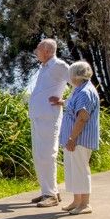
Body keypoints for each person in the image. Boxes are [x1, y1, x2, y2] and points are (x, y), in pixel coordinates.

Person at [28, 38, 70, 207]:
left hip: (49, 118)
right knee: (39, 156)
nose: (36, 51)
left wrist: (64, 101)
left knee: (47, 154)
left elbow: (78, 83)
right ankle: (48, 191)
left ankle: (51, 195)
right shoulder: (44, 67)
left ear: (46, 50)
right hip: (38, 118)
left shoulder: (59, 66)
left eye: (38, 48)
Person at [54, 61, 100, 215]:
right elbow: (73, 104)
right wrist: (61, 102)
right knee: (73, 170)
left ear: (76, 75)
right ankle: (77, 201)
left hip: (80, 139)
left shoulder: (85, 92)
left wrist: (72, 138)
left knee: (80, 170)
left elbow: (82, 117)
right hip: (74, 139)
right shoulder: (79, 90)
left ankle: (85, 203)